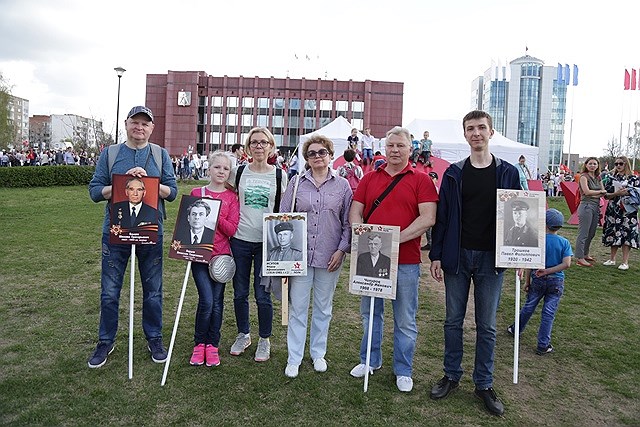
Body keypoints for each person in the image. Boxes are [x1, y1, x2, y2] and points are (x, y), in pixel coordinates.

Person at [429, 110, 520, 416]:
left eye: (482, 127)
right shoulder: (454, 173)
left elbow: (521, 214)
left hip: (492, 260)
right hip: (458, 256)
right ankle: (451, 375)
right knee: (453, 321)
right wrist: (437, 254)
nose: (476, 133)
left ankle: (483, 383)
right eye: (471, 128)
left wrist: (521, 254)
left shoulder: (508, 172)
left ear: (491, 132)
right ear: (465, 134)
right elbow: (442, 218)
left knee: (488, 326)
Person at [349, 126, 438, 393]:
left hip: (406, 260)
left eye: (401, 146)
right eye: (391, 146)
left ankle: (403, 369)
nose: (395, 150)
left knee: (405, 319)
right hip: (371, 256)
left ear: (411, 149)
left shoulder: (421, 180)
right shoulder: (369, 177)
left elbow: (428, 218)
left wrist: (394, 241)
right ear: (384, 148)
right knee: (371, 314)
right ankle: (369, 360)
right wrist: (359, 234)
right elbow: (356, 212)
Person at [87, 105, 177, 368]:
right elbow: (94, 191)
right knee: (110, 292)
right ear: (126, 124)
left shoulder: (160, 154)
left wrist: (149, 184)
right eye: (135, 122)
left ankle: (154, 338)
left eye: (145, 124)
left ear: (152, 128)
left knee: (153, 292)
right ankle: (106, 340)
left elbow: (172, 191)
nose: (139, 127)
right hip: (115, 233)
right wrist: (122, 183)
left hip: (150, 233)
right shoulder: (111, 153)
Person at [280, 134, 352, 378]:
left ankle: (318, 353)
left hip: (330, 256)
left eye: (322, 152)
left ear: (330, 155)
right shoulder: (296, 183)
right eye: (312, 153)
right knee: (298, 308)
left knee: (323, 307)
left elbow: (348, 223)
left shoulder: (342, 186)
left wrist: (342, 249)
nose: (318, 156)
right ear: (306, 159)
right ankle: (294, 357)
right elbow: (283, 217)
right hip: (300, 257)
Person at [227, 127, 288, 362]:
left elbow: (287, 208)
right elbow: (227, 195)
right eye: (254, 142)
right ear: (248, 146)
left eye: (264, 142)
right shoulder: (238, 172)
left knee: (262, 294)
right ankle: (243, 334)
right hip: (240, 240)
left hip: (267, 243)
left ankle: (264, 339)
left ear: (271, 147)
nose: (259, 146)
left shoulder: (280, 176)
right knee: (240, 292)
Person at [188, 151, 240, 367]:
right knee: (206, 300)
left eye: (225, 168)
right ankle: (199, 343)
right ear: (208, 169)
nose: (221, 171)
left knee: (217, 303)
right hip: (200, 255)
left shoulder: (231, 197)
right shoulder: (197, 192)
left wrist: (215, 216)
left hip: (221, 258)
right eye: (217, 167)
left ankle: (212, 344)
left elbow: (232, 230)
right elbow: (186, 223)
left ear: (230, 173)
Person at [507, 208, 572, 355]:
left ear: (544, 224)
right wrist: (550, 271)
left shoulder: (537, 240)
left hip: (538, 279)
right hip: (556, 282)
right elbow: (567, 263)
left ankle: (515, 329)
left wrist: (527, 281)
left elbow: (531, 262)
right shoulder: (564, 242)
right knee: (548, 312)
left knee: (529, 306)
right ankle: (543, 344)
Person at [602, 156, 639, 270]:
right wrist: (617, 193)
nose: (618, 166)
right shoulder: (611, 178)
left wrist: (628, 192)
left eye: (621, 164)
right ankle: (612, 259)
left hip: (628, 211)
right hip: (614, 210)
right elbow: (606, 195)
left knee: (627, 234)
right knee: (613, 232)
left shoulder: (634, 178)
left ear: (626, 164)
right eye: (616, 163)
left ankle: (625, 262)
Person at [575, 157, 607, 267]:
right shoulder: (583, 177)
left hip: (596, 206)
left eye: (595, 163)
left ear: (598, 165)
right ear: (586, 165)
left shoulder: (598, 177)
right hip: (586, 206)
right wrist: (599, 192)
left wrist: (598, 193)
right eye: (590, 163)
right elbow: (587, 192)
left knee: (592, 232)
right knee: (583, 232)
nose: (592, 165)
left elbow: (603, 193)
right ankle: (579, 258)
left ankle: (585, 253)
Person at [422, 171, 439, 250]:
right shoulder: (425, 189)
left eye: (432, 178)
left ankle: (432, 244)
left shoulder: (436, 189)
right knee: (427, 230)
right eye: (429, 178)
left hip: (436, 213)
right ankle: (430, 243)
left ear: (436, 180)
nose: (431, 180)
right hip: (427, 213)